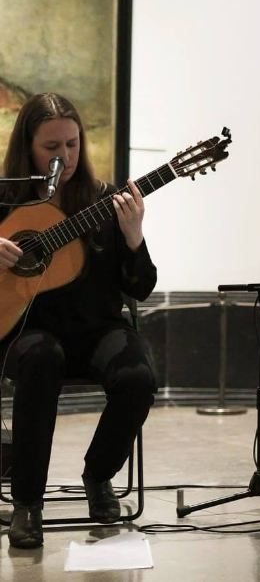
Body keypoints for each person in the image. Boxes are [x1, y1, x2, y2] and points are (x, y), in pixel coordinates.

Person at [0, 93, 157, 549]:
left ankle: (98, 476)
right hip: (24, 334)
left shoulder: (105, 200)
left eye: (72, 144)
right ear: (27, 147)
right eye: (51, 147)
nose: (65, 156)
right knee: (41, 359)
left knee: (137, 377)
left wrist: (134, 237)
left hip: (96, 330)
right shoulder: (5, 201)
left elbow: (140, 287)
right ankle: (27, 503)